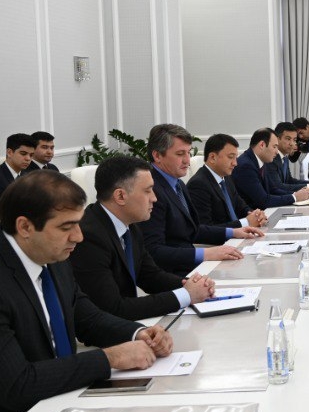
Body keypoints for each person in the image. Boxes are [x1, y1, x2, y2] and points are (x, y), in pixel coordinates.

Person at [0, 170, 174, 412]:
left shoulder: (48, 252)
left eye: (78, 223)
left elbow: (86, 317)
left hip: (54, 396)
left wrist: (138, 333)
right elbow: (17, 386)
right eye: (66, 227)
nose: (79, 236)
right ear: (25, 226)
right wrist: (111, 358)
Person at [70, 156, 214, 320]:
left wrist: (191, 284)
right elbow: (113, 308)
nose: (154, 198)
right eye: (147, 190)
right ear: (120, 196)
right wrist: (186, 295)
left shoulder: (130, 225)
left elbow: (150, 276)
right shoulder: (88, 237)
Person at [139, 123, 258, 275]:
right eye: (180, 154)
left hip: (191, 267)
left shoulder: (178, 184)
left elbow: (192, 229)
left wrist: (233, 232)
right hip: (172, 275)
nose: (187, 160)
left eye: (188, 153)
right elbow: (154, 251)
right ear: (157, 156)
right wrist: (206, 254)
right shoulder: (150, 190)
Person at [187, 133, 268, 228]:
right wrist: (245, 222)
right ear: (212, 157)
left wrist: (256, 216)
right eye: (230, 157)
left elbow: (241, 206)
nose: (235, 163)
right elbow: (206, 228)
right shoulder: (198, 184)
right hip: (223, 237)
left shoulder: (226, 177)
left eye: (235, 158)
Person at [234, 128, 309, 209]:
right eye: (274, 147)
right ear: (262, 145)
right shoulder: (246, 166)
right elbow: (264, 201)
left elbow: (273, 189)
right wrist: (294, 197)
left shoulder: (260, 160)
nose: (276, 151)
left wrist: (296, 194)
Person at [0, 133, 36, 224]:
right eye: (23, 154)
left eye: (31, 155)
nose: (28, 158)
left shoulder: (25, 175)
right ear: (9, 152)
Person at [271, 122, 309, 194]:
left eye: (294, 140)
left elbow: (289, 180)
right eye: (288, 139)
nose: (292, 143)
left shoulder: (285, 158)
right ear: (277, 139)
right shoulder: (270, 158)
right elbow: (278, 187)